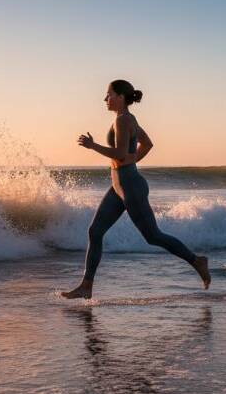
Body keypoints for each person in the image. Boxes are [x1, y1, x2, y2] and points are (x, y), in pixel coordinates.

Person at [61, 80, 210, 299]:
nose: (105, 99)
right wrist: (132, 159)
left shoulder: (123, 120)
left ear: (120, 96)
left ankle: (197, 261)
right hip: (119, 186)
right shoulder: (128, 119)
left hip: (130, 186)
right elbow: (146, 144)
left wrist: (95, 147)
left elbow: (121, 154)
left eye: (109, 94)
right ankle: (86, 285)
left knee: (153, 236)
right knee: (95, 231)